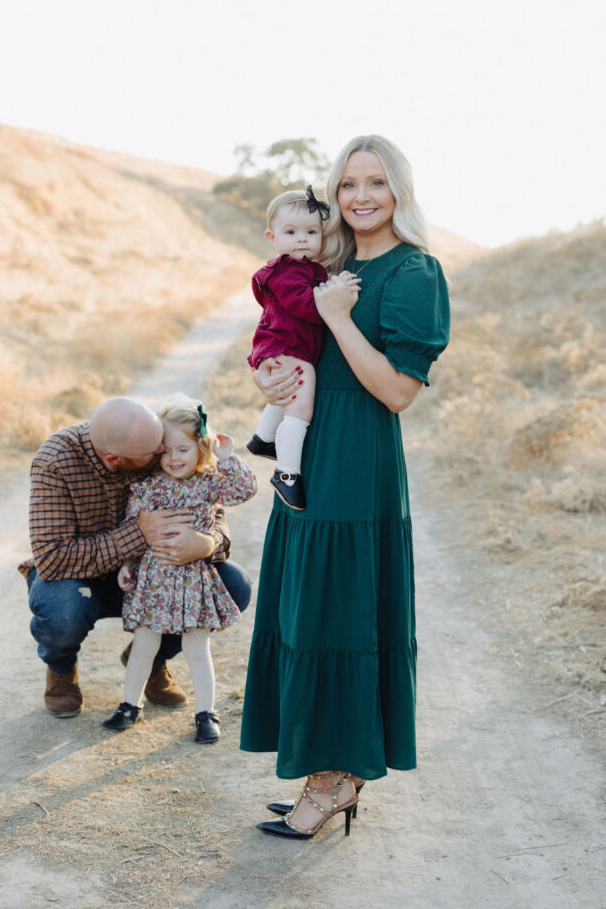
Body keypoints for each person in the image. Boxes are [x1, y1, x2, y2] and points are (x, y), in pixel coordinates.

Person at [240, 135, 450, 839]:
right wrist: (270, 375)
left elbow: (396, 390)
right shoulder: (325, 261)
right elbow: (286, 340)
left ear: (399, 192)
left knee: (343, 613)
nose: (360, 196)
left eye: (376, 183)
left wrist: (335, 319)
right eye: (349, 184)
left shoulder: (414, 272)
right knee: (307, 611)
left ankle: (338, 779)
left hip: (359, 455)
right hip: (310, 448)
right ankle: (320, 771)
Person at [19, 396, 253, 718]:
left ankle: (151, 658)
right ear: (115, 458)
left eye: (166, 447)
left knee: (234, 585)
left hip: (152, 573)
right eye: (155, 453)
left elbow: (207, 503)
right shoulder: (55, 461)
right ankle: (61, 669)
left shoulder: (148, 438)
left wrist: (208, 543)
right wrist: (139, 534)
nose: (163, 454)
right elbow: (52, 559)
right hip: (78, 577)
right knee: (63, 610)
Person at [103, 395, 257, 742]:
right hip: (153, 579)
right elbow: (134, 529)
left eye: (183, 449)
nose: (174, 458)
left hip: (192, 579)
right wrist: (127, 564)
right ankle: (130, 705)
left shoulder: (211, 482)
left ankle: (206, 713)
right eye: (166, 450)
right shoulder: (146, 486)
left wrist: (227, 455)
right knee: (144, 644)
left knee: (196, 648)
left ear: (201, 447)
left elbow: (246, 489)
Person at [246, 187, 358, 511]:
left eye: (311, 232)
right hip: (286, 347)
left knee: (287, 393)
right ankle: (287, 474)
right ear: (272, 237)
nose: (302, 239)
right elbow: (307, 306)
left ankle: (263, 438)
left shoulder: (307, 269)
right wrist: (337, 295)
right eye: (291, 232)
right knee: (300, 407)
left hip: (287, 345)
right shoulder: (285, 271)